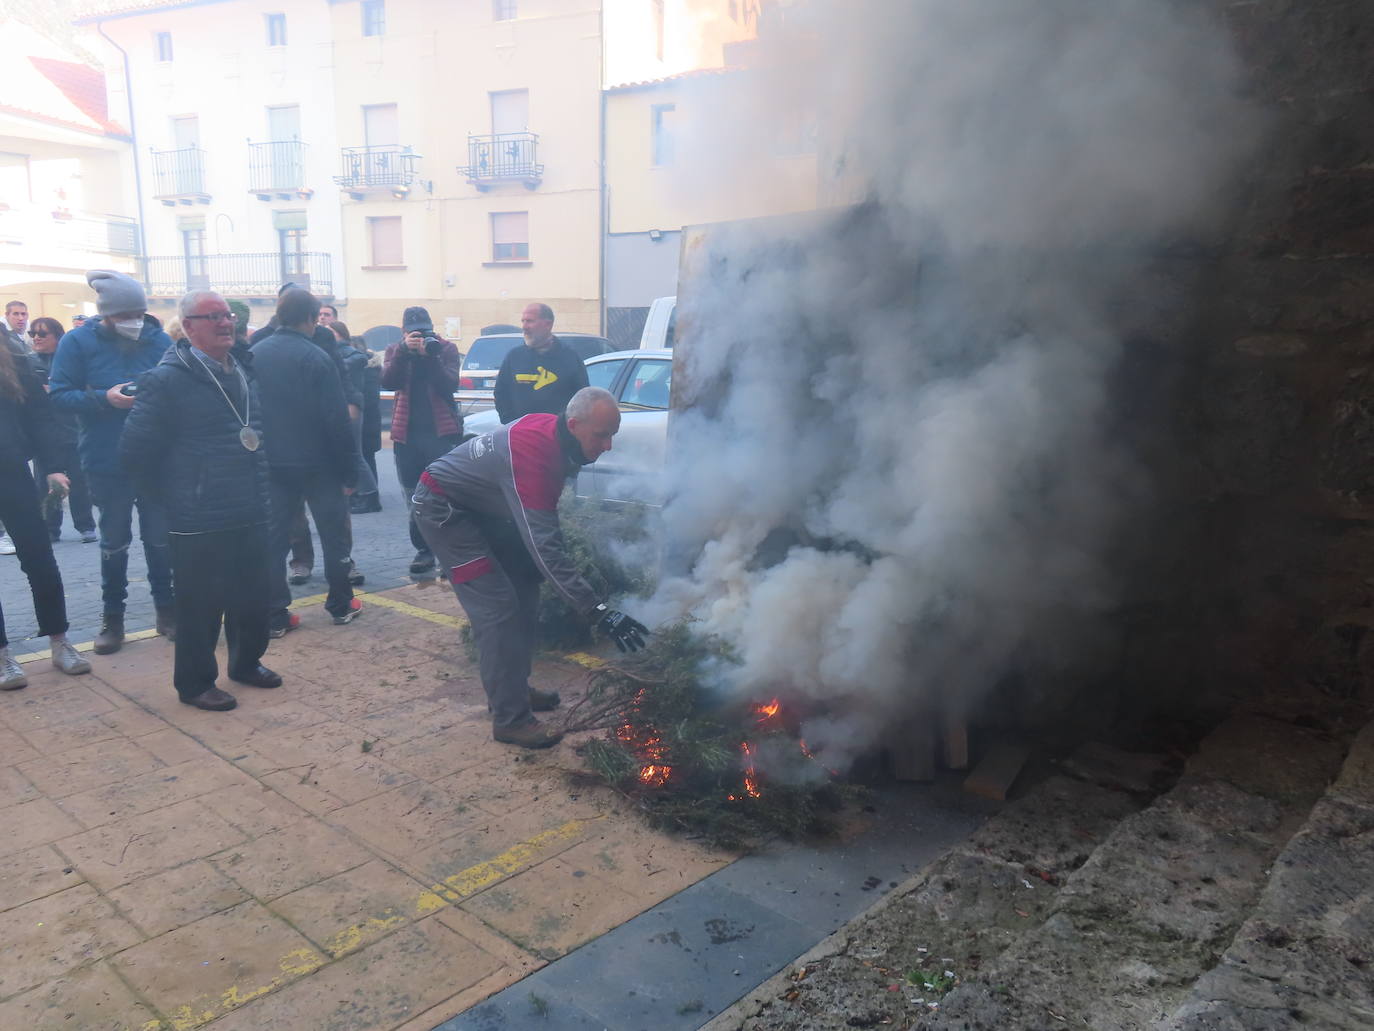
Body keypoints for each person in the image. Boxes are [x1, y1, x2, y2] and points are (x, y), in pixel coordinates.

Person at [412, 386, 649, 748]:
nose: (608, 446)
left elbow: (539, 534)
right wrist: (599, 611)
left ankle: (513, 690)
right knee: (498, 609)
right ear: (573, 424)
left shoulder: (555, 435)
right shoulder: (534, 458)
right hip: (446, 514)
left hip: (484, 512)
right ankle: (510, 720)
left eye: (611, 436)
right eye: (601, 436)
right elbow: (547, 550)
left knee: (525, 590)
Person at [120, 290, 278, 712]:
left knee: (252, 596)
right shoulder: (166, 379)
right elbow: (135, 452)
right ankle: (194, 683)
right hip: (198, 515)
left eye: (227, 315)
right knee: (200, 606)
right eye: (213, 317)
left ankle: (246, 663)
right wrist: (176, 496)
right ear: (188, 327)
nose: (226, 323)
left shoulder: (242, 367)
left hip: (249, 504)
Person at [48, 270, 176, 654]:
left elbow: (178, 387)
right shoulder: (77, 342)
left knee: (160, 539)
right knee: (114, 540)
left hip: (155, 459)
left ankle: (167, 611)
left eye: (139, 311)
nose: (134, 321)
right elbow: (59, 396)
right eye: (125, 315)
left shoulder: (159, 339)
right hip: (106, 458)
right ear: (106, 315)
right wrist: (106, 398)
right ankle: (112, 618)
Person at [251, 287, 362, 635]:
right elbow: (336, 420)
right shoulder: (317, 357)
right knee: (334, 536)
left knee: (274, 539)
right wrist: (350, 470)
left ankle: (275, 614)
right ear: (313, 319)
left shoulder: (255, 354)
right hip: (320, 465)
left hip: (273, 463)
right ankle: (341, 604)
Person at [0, 335, 94, 689]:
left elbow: (40, 414)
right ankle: (3, 656)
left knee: (40, 559)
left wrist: (54, 466)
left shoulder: (12, 355)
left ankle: (60, 642)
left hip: (13, 474)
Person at [382, 306, 462, 575]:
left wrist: (430, 358)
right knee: (412, 496)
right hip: (407, 434)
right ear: (404, 332)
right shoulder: (396, 350)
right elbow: (388, 381)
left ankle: (447, 554)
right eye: (414, 332)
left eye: (425, 331)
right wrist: (404, 353)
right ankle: (424, 550)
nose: (420, 336)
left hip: (440, 433)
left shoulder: (445, 348)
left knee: (444, 495)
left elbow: (450, 384)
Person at [27, 317, 96, 544]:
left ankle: (85, 525)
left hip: (72, 429)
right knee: (45, 483)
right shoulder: (27, 363)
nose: (36, 337)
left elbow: (84, 391)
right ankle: (50, 527)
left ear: (57, 337)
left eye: (42, 333)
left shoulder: (70, 362)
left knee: (79, 481)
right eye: (33, 333)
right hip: (43, 433)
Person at [493, 303, 589, 425]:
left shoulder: (569, 358)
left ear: (548, 324)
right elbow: (501, 393)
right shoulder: (514, 357)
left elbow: (582, 397)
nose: (524, 327)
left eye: (530, 321)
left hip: (557, 436)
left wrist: (564, 428)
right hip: (522, 434)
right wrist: (511, 423)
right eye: (523, 321)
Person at [331, 320, 381, 514]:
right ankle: (363, 494)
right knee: (354, 454)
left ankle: (370, 495)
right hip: (347, 406)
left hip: (350, 407)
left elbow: (353, 363)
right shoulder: (338, 353)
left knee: (356, 454)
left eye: (331, 332)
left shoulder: (351, 355)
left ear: (341, 335)